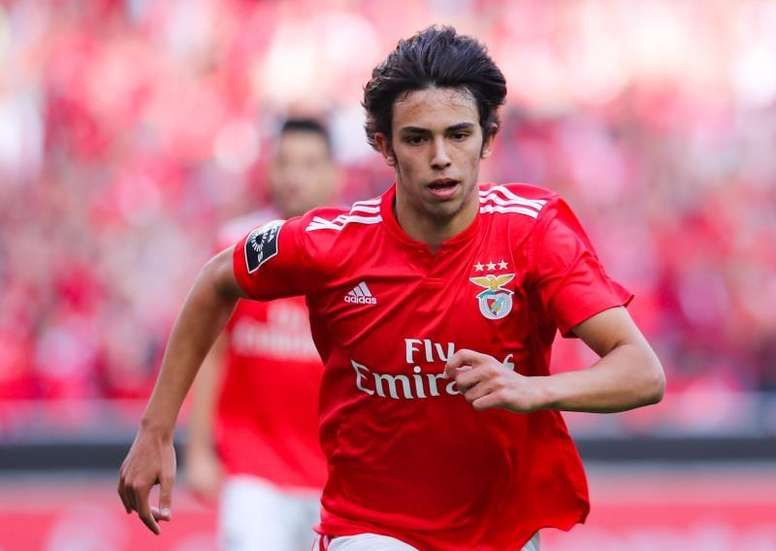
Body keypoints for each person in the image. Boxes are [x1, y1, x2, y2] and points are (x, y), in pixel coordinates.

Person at [118, 26, 665, 551]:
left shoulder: (535, 233)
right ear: (384, 146)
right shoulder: (329, 243)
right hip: (370, 528)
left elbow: (641, 372)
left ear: (488, 137)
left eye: (458, 134)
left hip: (500, 527)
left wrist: (534, 389)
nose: (441, 157)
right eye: (417, 139)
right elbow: (217, 280)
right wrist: (156, 429)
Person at [184, 118, 337, 550]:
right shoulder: (239, 245)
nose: (294, 177)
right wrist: (198, 449)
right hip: (254, 472)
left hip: (337, 477)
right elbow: (211, 352)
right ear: (269, 171)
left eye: (309, 164)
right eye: (285, 163)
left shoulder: (356, 250)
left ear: (334, 173)